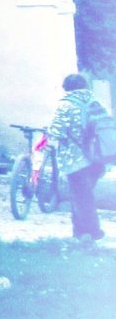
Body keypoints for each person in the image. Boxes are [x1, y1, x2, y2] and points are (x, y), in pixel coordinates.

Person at [45, 73, 109, 241]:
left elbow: (56, 132)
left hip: (75, 158)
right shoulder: (96, 103)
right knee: (82, 194)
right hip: (98, 158)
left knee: (82, 195)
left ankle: (92, 232)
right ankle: (79, 232)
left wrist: (49, 131)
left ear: (66, 87)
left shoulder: (65, 106)